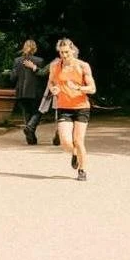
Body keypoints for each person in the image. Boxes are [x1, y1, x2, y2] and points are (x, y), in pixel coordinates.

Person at [48, 38, 95, 181]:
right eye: (61, 52)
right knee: (65, 142)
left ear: (73, 50)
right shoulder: (55, 66)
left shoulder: (83, 66)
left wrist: (79, 88)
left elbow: (92, 89)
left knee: (78, 140)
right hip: (64, 107)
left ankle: (82, 169)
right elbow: (50, 82)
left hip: (81, 107)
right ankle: (75, 153)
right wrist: (53, 89)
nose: (64, 55)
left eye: (67, 52)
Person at [12, 40, 49, 145]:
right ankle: (30, 128)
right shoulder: (40, 61)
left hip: (21, 92)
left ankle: (31, 138)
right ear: (35, 49)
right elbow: (43, 76)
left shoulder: (17, 61)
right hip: (35, 91)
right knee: (38, 111)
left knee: (26, 112)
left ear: (24, 47)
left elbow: (13, 78)